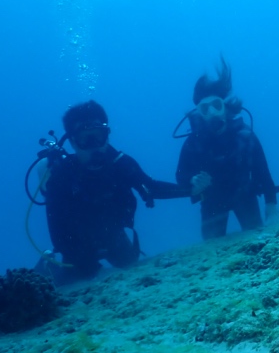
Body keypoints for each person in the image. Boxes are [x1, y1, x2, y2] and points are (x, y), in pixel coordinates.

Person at [41, 100, 201, 285]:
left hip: (114, 238)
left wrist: (191, 189)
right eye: (85, 138)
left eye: (98, 136)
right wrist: (92, 269)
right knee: (67, 289)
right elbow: (59, 238)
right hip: (76, 249)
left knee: (132, 269)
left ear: (107, 135)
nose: (95, 145)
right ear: (72, 142)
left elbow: (153, 188)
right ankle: (47, 267)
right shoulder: (61, 178)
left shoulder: (122, 165)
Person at [176, 56, 279, 239]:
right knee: (212, 249)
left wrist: (270, 204)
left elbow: (262, 172)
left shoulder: (245, 137)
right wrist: (192, 182)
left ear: (225, 107)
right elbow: (180, 176)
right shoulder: (193, 143)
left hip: (244, 195)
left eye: (216, 105)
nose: (212, 113)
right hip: (211, 202)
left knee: (256, 239)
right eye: (205, 108)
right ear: (199, 113)